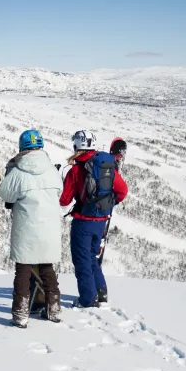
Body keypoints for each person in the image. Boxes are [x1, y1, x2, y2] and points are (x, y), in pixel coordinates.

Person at [0, 129, 63, 328]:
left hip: (26, 230)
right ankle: (54, 309)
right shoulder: (52, 171)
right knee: (47, 269)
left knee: (23, 272)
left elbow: (5, 195)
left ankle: (20, 313)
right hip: (50, 230)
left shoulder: (18, 172)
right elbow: (59, 193)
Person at [60, 130, 128, 307]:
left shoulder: (75, 170)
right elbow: (122, 191)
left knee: (82, 260)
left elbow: (64, 200)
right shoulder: (106, 165)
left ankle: (88, 299)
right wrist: (108, 203)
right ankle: (101, 292)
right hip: (101, 221)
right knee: (91, 257)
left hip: (83, 221)